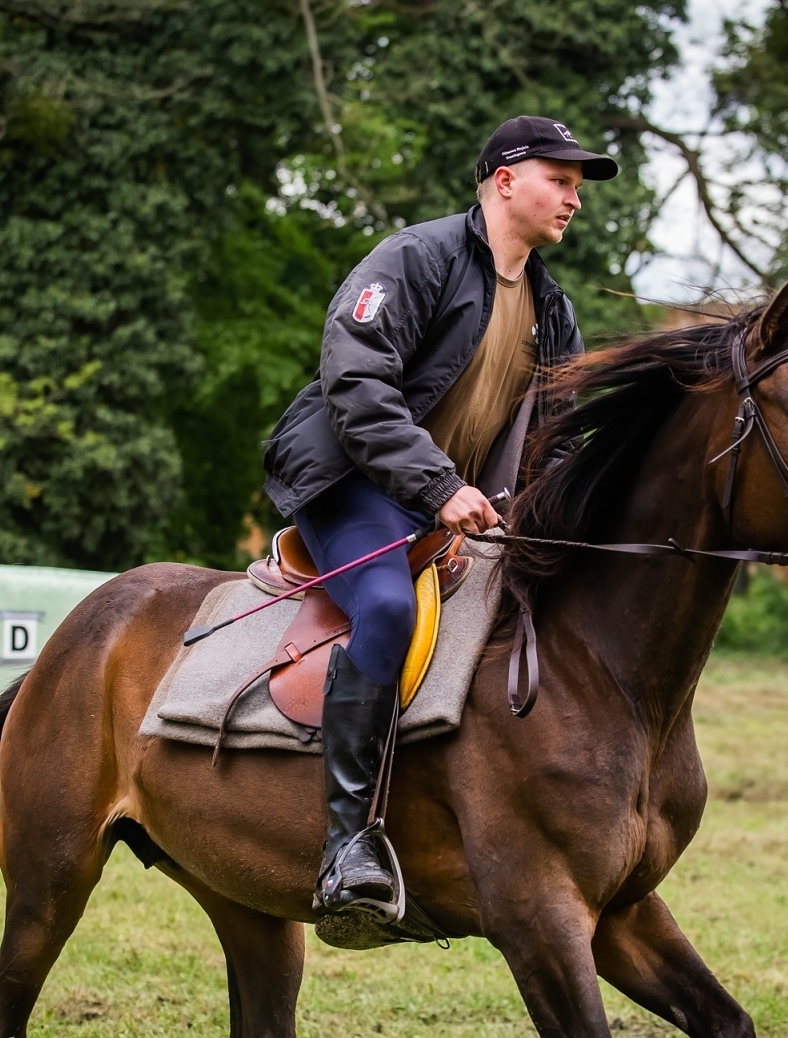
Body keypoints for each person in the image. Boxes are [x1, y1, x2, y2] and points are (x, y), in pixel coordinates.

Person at [261, 116, 618, 915]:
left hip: (454, 508)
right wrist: (437, 487)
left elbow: (558, 441)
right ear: (503, 180)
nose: (573, 200)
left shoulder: (554, 313)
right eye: (560, 181)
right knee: (386, 605)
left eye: (577, 188)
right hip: (354, 483)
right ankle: (346, 844)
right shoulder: (415, 257)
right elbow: (357, 383)